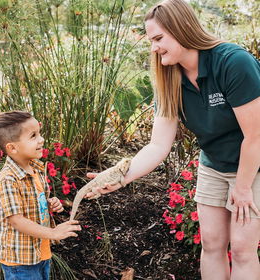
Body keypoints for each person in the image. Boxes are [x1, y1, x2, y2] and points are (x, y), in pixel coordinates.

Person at [86, 0, 260, 279]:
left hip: (252, 164)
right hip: (214, 163)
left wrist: (241, 187)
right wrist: (121, 177)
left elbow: (256, 135)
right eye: (151, 40)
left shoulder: (232, 62)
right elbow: (157, 145)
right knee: (212, 244)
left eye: (158, 39)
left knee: (241, 250)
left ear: (181, 29)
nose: (154, 48)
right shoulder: (169, 78)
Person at [0, 111, 81, 280]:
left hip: (38, 250)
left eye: (39, 133)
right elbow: (16, 220)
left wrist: (50, 202)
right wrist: (53, 233)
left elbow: (34, 201)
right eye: (33, 136)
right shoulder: (8, 180)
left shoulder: (35, 168)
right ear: (12, 147)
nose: (41, 139)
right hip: (20, 260)